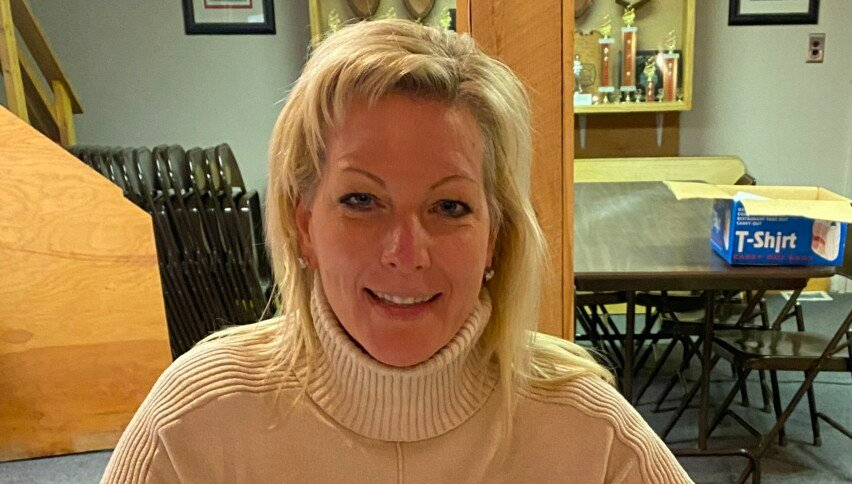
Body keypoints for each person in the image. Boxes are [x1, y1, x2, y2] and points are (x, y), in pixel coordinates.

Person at [100, 19, 693, 484]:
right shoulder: (196, 420)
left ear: (495, 237)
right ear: (304, 225)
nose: (406, 253)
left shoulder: (587, 428)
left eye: (450, 207)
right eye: (361, 200)